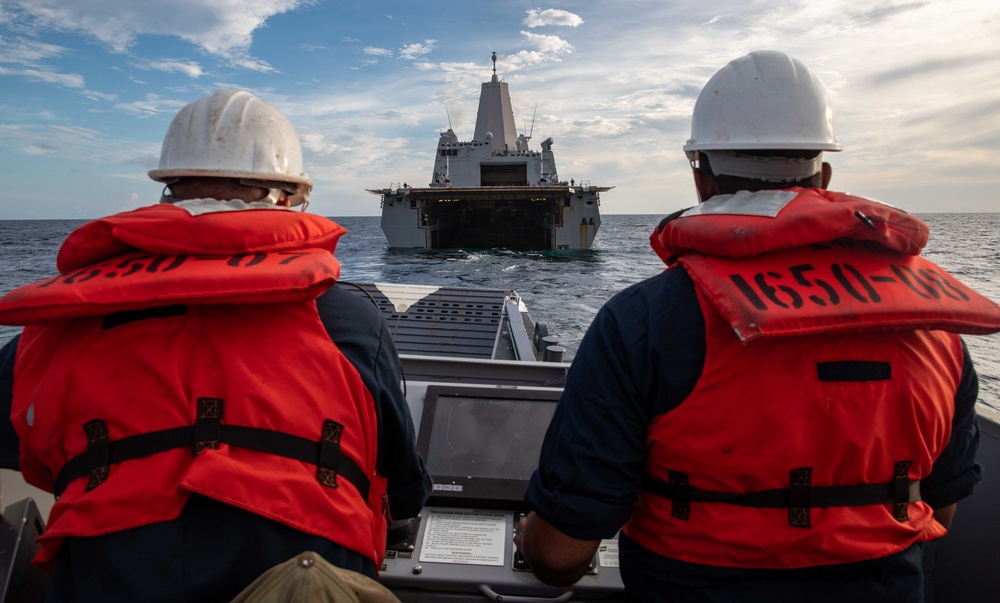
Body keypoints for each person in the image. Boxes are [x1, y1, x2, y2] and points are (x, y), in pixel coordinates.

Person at [515, 51, 1000, 602]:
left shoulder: (641, 323)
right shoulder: (935, 330)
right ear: (825, 173)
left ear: (701, 176)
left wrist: (528, 535)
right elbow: (939, 509)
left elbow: (559, 557)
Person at [0, 90, 430, 602]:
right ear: (290, 197)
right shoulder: (347, 322)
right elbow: (403, 493)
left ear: (168, 191)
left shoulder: (55, 329)